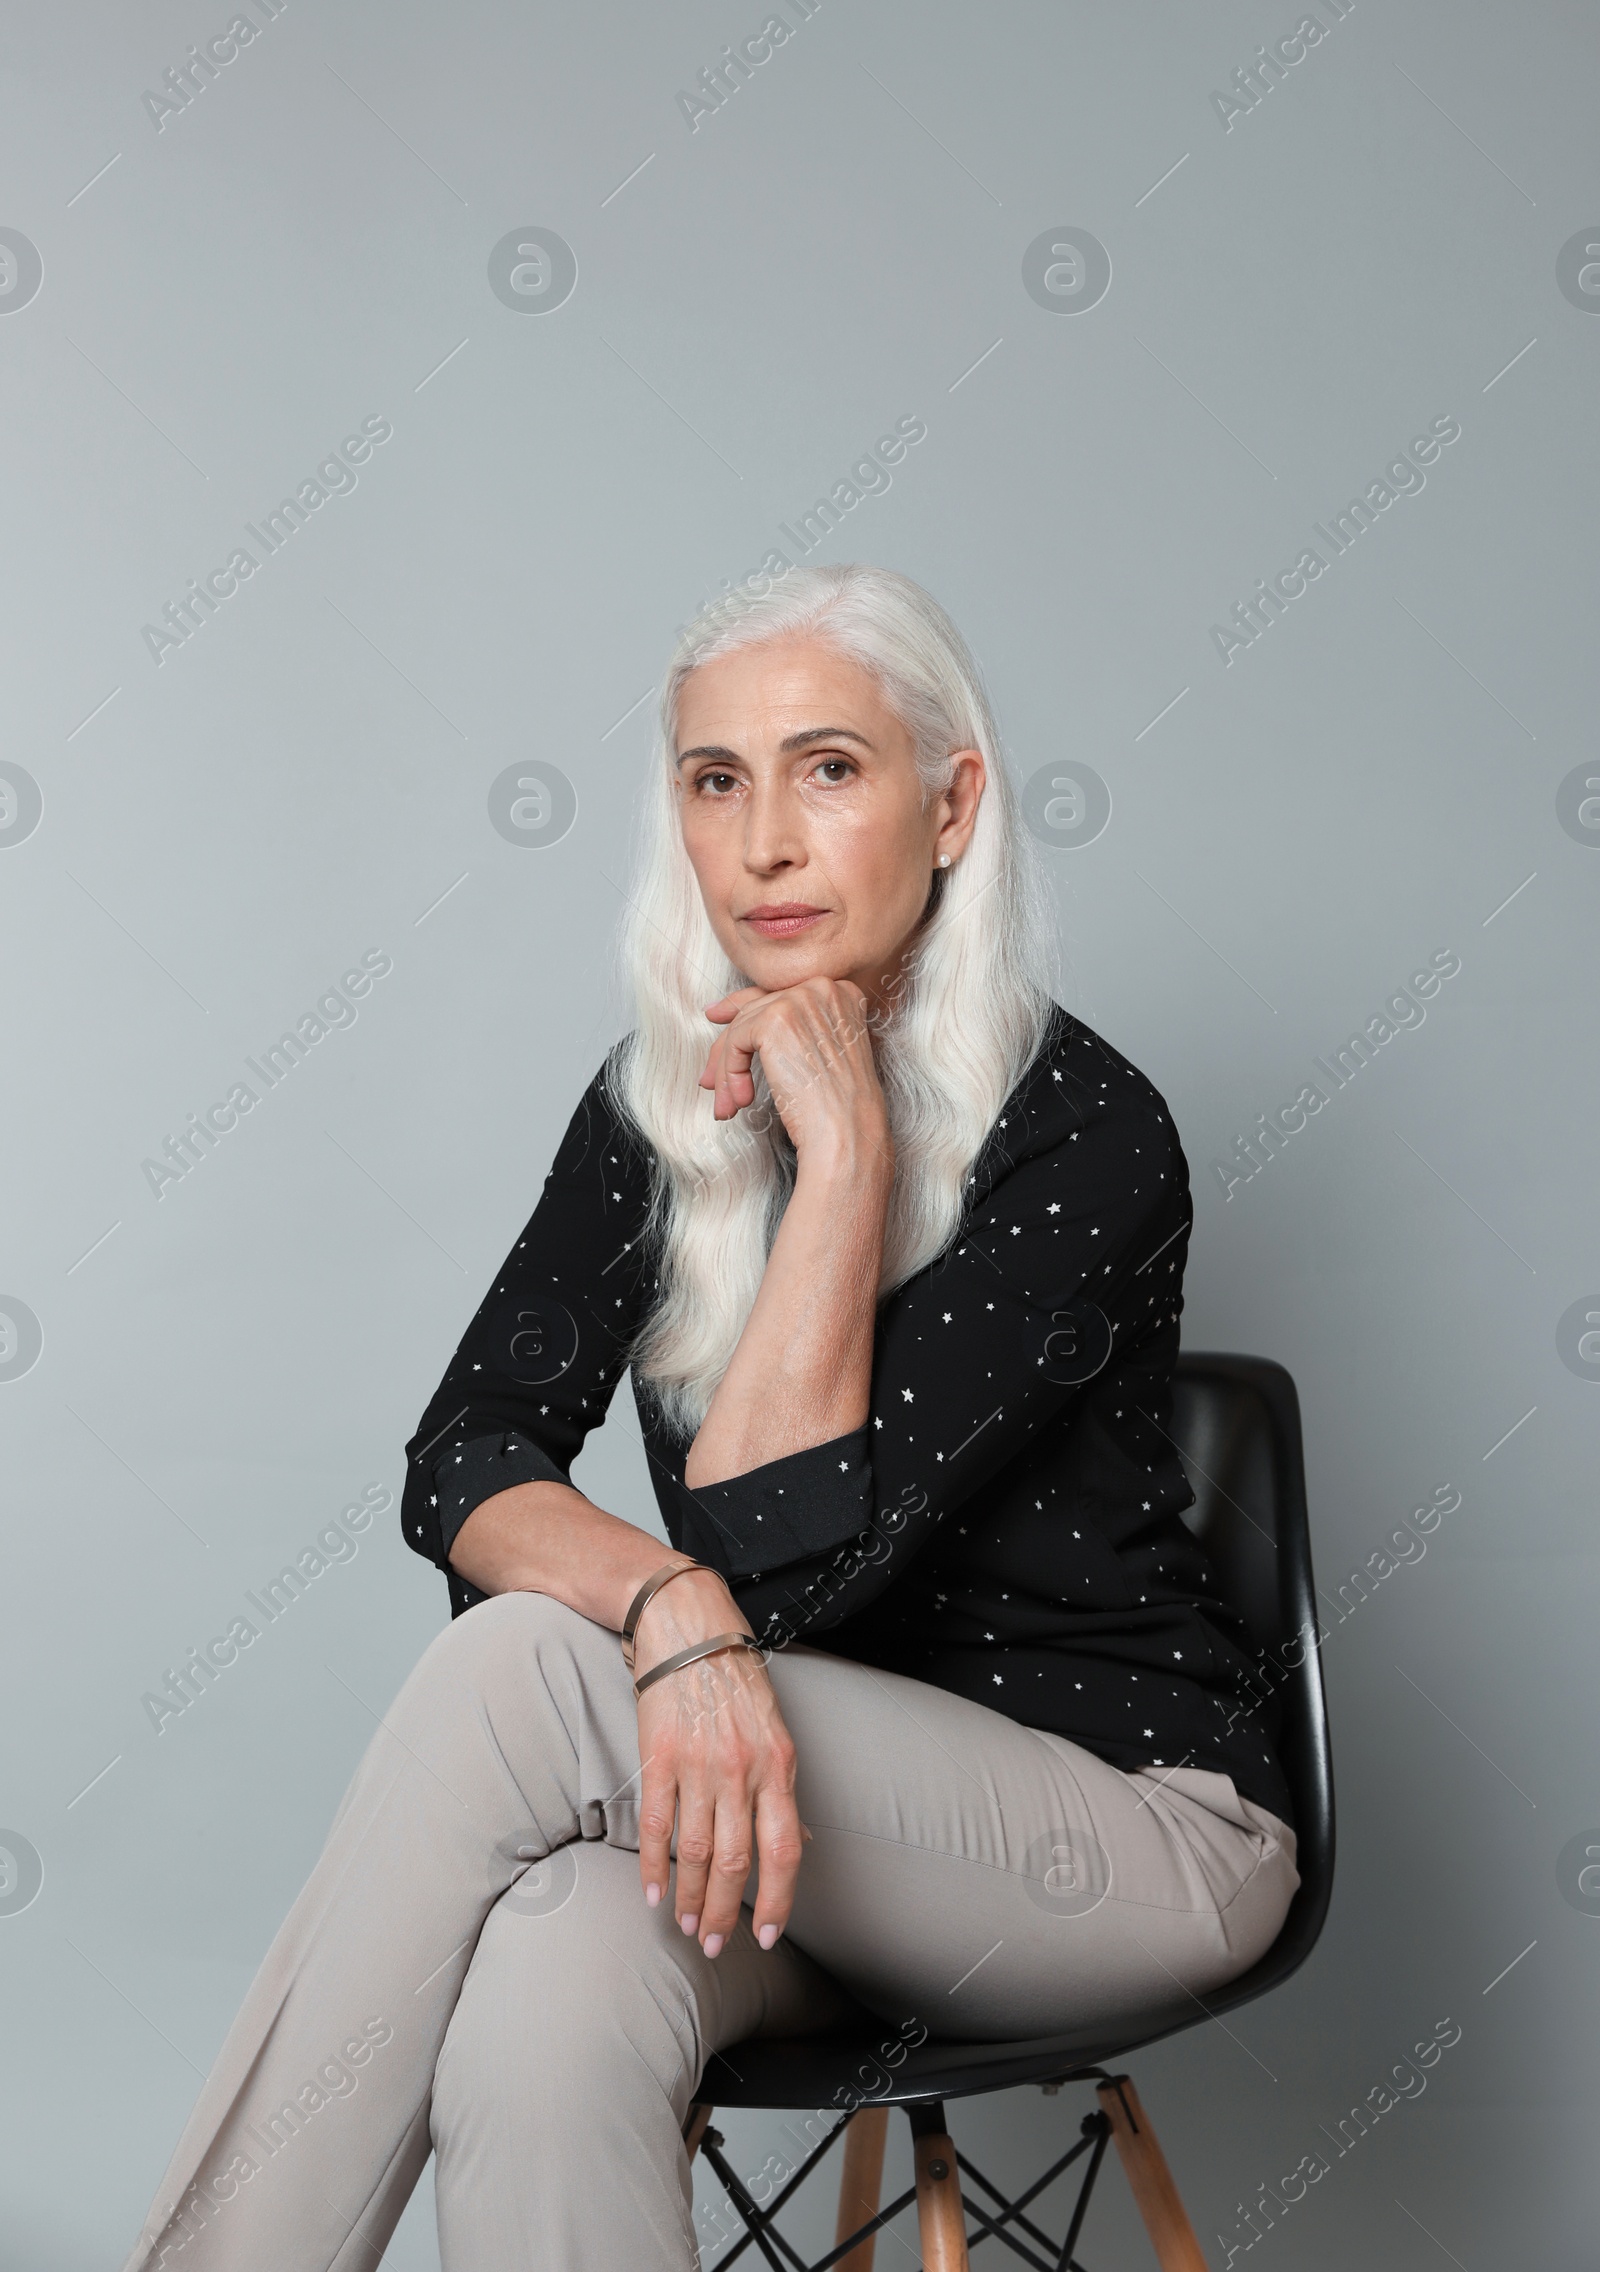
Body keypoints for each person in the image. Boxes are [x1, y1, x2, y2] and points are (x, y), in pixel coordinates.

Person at [120, 563, 1296, 2272]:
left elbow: (779, 1561)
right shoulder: (659, 1110)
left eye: (829, 770)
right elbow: (464, 1457)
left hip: (1120, 1835)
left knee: (526, 1669)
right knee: (551, 1955)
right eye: (714, 780)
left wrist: (848, 1159)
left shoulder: (1088, 1135)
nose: (763, 846)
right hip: (793, 1830)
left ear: (952, 803)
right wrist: (668, 1609)